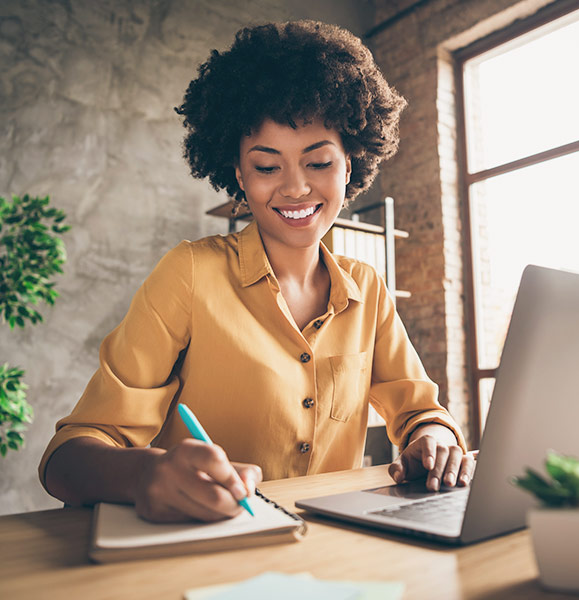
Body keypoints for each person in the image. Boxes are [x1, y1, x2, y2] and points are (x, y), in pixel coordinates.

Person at [39, 20, 473, 523]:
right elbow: (66, 459)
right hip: (205, 555)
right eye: (267, 167)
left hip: (337, 557)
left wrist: (433, 438)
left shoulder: (367, 288)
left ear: (349, 166)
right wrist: (144, 475)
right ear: (239, 176)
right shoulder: (190, 274)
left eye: (319, 163)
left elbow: (420, 412)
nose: (294, 189)